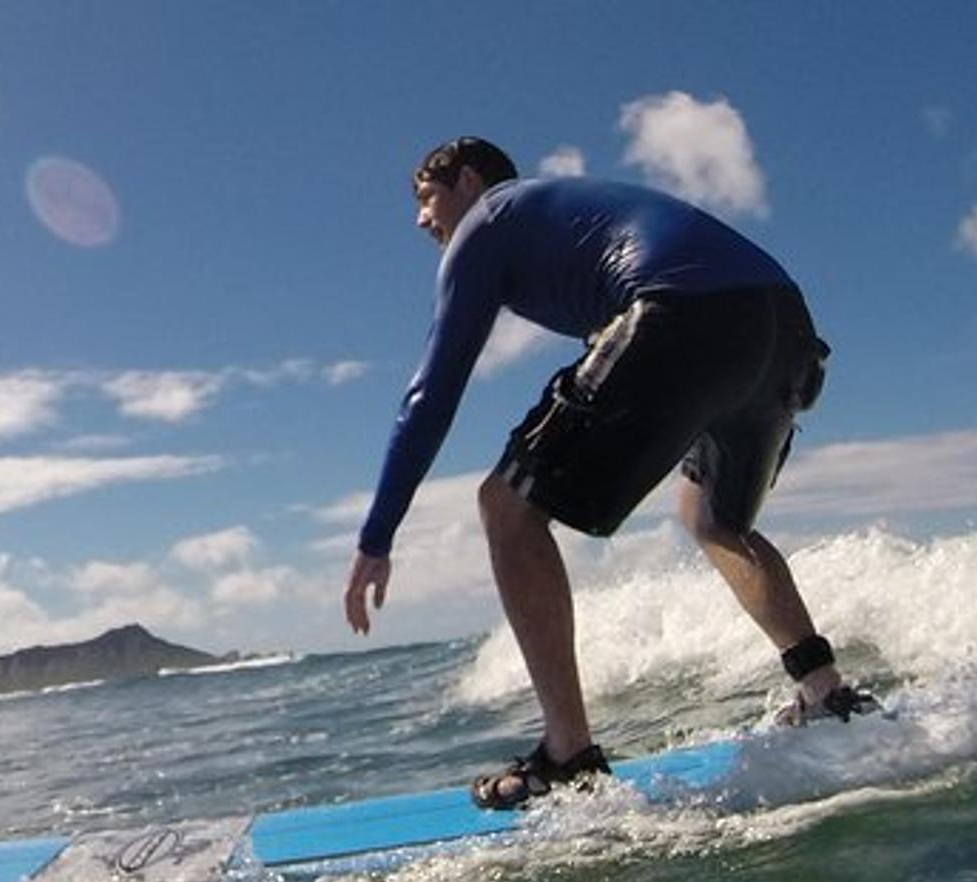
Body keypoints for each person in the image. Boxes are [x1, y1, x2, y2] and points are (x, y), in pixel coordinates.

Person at [344, 136, 872, 809]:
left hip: (681, 309)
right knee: (711, 516)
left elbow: (433, 392)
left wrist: (377, 535)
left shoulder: (488, 220)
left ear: (470, 181)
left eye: (426, 198)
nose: (422, 220)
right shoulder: (563, 214)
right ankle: (825, 691)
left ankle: (567, 752)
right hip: (785, 329)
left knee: (506, 508)